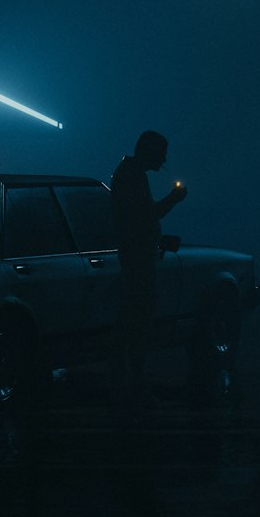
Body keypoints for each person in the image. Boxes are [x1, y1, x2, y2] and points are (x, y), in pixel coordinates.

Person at [110, 130, 187, 403]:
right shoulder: (132, 177)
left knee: (132, 315)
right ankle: (132, 373)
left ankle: (125, 370)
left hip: (134, 256)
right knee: (138, 315)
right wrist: (173, 200)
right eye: (161, 153)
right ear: (149, 151)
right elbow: (145, 216)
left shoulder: (127, 174)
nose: (164, 159)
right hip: (137, 259)